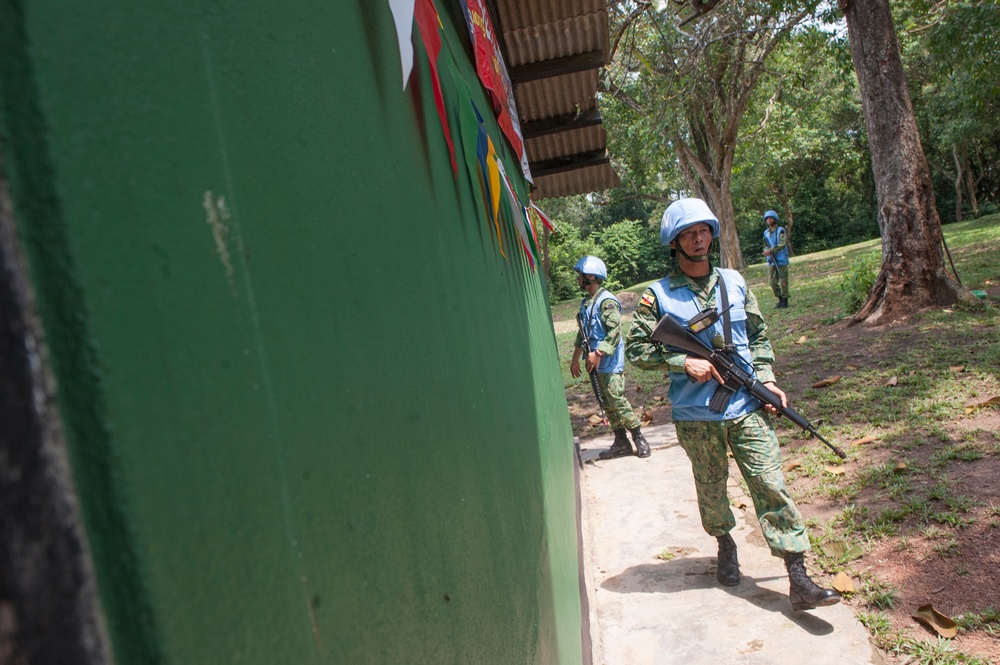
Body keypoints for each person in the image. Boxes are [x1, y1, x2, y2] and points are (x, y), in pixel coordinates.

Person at [623, 198, 839, 611]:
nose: (699, 238)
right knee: (711, 488)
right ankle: (725, 543)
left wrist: (769, 380)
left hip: (745, 405)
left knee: (770, 482)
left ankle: (798, 576)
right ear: (675, 242)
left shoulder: (735, 282)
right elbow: (635, 349)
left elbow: (757, 336)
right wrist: (682, 360)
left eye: (703, 229)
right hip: (695, 415)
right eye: (688, 233)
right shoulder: (658, 296)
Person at [570, 256, 651, 460]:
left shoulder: (606, 302)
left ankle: (638, 437)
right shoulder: (587, 303)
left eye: (580, 275)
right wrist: (575, 358)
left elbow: (614, 332)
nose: (578, 279)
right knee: (606, 402)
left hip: (609, 362)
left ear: (590, 276)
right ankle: (620, 440)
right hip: (593, 363)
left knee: (616, 398)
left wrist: (598, 353)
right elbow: (583, 334)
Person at [762, 210, 790, 308]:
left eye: (771, 218)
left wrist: (771, 250)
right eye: (767, 219)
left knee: (783, 281)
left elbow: (782, 243)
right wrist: (766, 252)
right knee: (772, 282)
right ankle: (780, 299)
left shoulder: (780, 230)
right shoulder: (765, 233)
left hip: (781, 258)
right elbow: (765, 245)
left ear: (775, 219)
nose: (769, 220)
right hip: (771, 260)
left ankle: (785, 300)